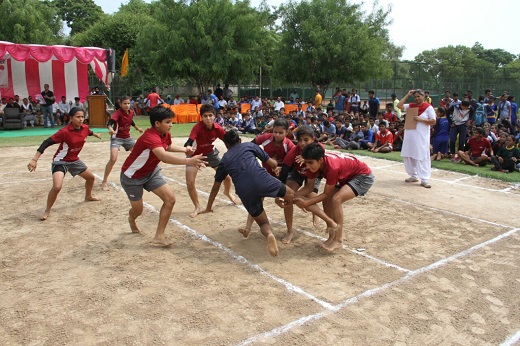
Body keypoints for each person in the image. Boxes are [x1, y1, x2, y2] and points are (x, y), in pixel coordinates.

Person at [201, 130, 295, 257]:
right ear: (239, 140)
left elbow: (215, 187)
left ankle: (269, 234)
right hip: (262, 180)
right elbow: (272, 164)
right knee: (290, 194)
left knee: (263, 223)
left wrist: (208, 207)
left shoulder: (224, 160)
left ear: (226, 145)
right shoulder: (249, 146)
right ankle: (289, 215)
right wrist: (275, 165)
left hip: (244, 190)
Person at [120, 106, 205, 245]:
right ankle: (131, 218)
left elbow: (168, 147)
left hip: (151, 172)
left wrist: (185, 149)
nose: (171, 124)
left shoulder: (164, 133)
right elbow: (164, 156)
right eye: (168, 122)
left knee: (170, 199)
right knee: (138, 210)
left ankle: (159, 236)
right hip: (132, 177)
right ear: (157, 123)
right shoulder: (150, 137)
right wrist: (190, 160)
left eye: (171, 121)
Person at [295, 142, 374, 252]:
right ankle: (332, 235)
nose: (307, 166)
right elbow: (308, 188)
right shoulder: (312, 165)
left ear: (321, 160)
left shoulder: (332, 167)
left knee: (336, 199)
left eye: (310, 163)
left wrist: (307, 203)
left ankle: (338, 239)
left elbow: (326, 193)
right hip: (346, 177)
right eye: (306, 162)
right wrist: (289, 196)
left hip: (363, 176)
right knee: (327, 201)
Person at [27, 107, 102, 221]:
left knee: (91, 178)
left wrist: (96, 134)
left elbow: (89, 132)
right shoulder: (64, 132)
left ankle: (88, 196)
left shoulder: (85, 128)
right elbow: (46, 142)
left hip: (75, 161)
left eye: (82, 117)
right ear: (71, 118)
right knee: (57, 187)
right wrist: (34, 159)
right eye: (78, 117)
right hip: (61, 161)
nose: (81, 119)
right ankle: (47, 210)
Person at [184, 104, 237, 217]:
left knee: (226, 177)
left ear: (214, 116)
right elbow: (190, 140)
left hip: (210, 153)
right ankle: (197, 206)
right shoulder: (197, 127)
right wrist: (188, 147)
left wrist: (235, 152)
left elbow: (228, 142)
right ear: (201, 117)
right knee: (190, 182)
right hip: (195, 155)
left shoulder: (218, 128)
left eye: (210, 115)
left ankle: (227, 192)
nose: (208, 118)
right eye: (205, 116)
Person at [101, 96, 144, 191]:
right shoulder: (117, 113)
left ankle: (138, 174)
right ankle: (104, 181)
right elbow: (109, 122)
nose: (127, 105)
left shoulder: (131, 112)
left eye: (128, 103)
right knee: (113, 159)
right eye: (125, 103)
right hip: (116, 138)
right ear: (120, 104)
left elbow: (130, 121)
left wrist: (137, 128)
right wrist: (110, 128)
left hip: (127, 138)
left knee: (139, 153)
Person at [397, 89, 436, 188]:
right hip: (410, 135)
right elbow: (399, 106)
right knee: (408, 155)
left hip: (421, 136)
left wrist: (420, 119)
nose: (417, 98)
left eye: (419, 96)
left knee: (421, 156)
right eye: (415, 97)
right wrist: (407, 94)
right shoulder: (411, 106)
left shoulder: (428, 107)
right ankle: (413, 175)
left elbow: (433, 121)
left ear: (423, 97)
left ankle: (424, 179)